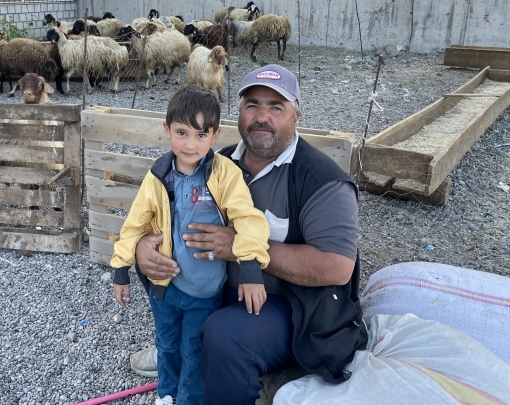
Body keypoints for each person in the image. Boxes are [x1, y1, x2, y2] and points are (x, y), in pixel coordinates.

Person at [131, 65, 368, 405]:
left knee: (226, 336)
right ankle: (176, 348)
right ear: (239, 112)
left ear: (296, 116)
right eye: (252, 104)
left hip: (291, 303)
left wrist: (241, 248)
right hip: (217, 286)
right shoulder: (217, 163)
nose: (262, 116)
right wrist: (143, 246)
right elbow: (168, 213)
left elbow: (337, 267)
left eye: (276, 107)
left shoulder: (321, 180)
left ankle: (221, 369)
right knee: (155, 267)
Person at [111, 86, 271, 405]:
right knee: (167, 345)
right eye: (181, 133)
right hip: (165, 287)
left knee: (194, 352)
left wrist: (251, 268)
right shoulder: (158, 176)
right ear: (167, 129)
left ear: (215, 135)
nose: (189, 144)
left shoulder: (224, 174)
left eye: (200, 135)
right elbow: (136, 222)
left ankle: (188, 400)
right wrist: (120, 268)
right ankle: (166, 395)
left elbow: (248, 218)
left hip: (204, 290)